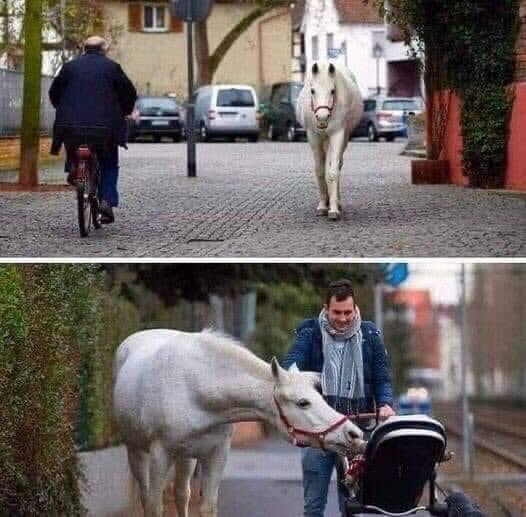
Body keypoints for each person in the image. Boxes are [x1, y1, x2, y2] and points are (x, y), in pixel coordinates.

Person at [282, 279, 396, 517]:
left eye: (348, 312)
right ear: (326, 308)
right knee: (313, 506)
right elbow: (290, 365)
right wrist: (294, 379)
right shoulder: (310, 333)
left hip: (355, 433)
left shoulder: (370, 335)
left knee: (352, 504)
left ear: (355, 309)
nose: (343, 318)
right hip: (318, 434)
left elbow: (382, 378)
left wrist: (385, 403)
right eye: (337, 312)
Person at [49, 35, 137, 224]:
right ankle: (106, 201)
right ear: (103, 49)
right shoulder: (112, 67)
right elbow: (129, 93)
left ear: (84, 48)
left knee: (72, 141)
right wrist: (125, 110)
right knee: (109, 163)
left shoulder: (69, 67)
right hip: (104, 129)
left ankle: (74, 169)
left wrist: (63, 109)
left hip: (71, 126)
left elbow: (54, 93)